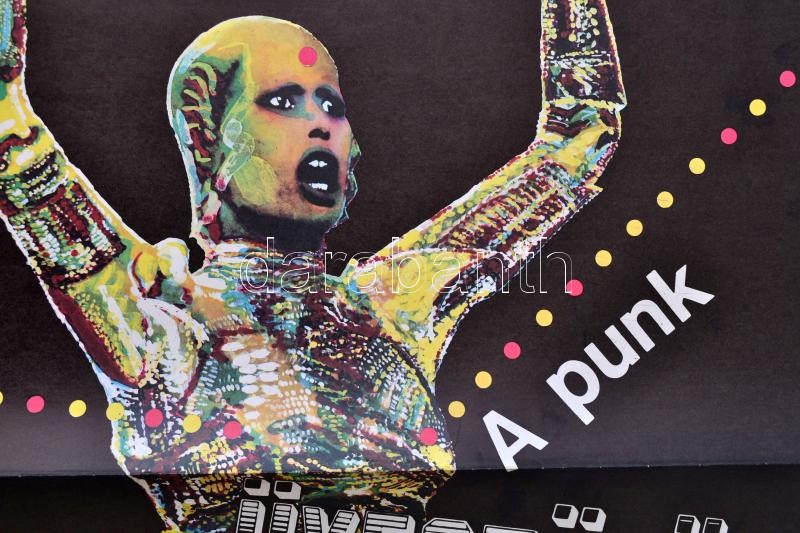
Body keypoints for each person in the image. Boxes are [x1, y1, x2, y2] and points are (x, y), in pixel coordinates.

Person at [0, 0, 625, 530]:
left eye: (331, 104)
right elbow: (13, 143)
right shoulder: (159, 317)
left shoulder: (393, 306)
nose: (321, 125)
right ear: (206, 137)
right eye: (283, 101)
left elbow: (579, 135)